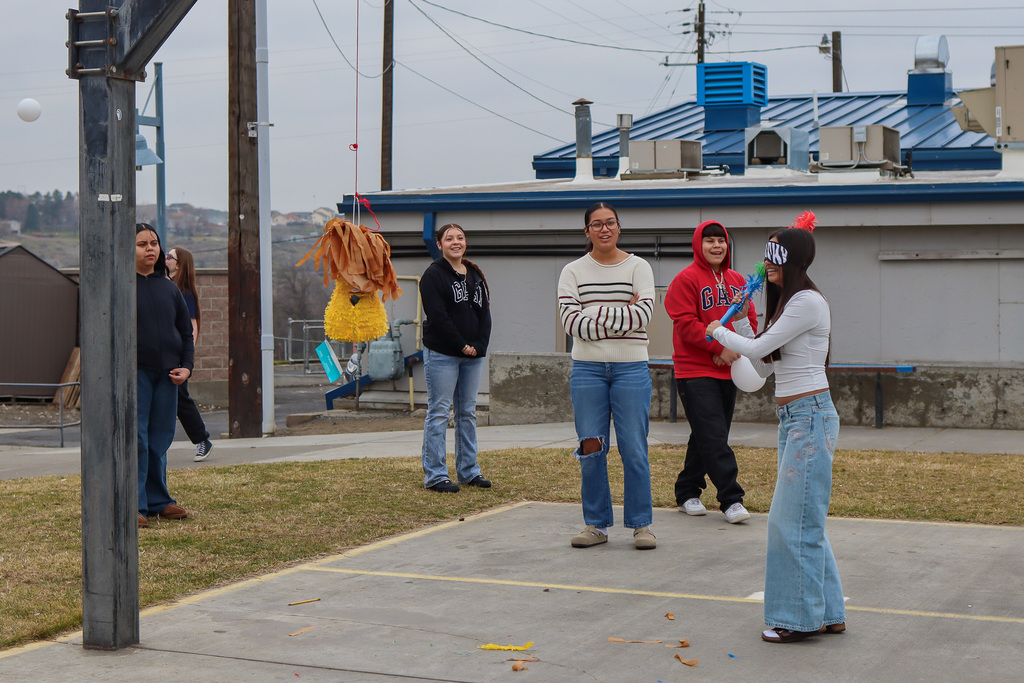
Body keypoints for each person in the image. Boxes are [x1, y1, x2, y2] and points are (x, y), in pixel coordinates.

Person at [706, 217, 845, 644]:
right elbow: (764, 359)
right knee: (804, 521)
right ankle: (829, 612)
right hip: (794, 418)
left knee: (789, 523)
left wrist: (718, 328)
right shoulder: (788, 302)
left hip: (810, 415)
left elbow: (758, 348)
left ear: (794, 259)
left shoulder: (806, 302)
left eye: (776, 255)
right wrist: (744, 321)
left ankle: (798, 618)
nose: (768, 264)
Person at [558, 202, 657, 550]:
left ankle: (642, 525)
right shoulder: (572, 271)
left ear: (619, 227)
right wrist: (618, 312)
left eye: (610, 223)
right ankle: (596, 525)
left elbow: (643, 314)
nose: (604, 229)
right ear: (586, 231)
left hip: (632, 368)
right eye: (596, 224)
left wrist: (593, 312)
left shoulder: (638, 267)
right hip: (587, 370)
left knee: (634, 447)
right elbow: (570, 323)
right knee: (591, 447)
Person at [664, 220, 757, 524]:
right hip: (694, 370)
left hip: (728, 369)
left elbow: (749, 321)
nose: (716, 246)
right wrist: (719, 348)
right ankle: (731, 498)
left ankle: (687, 490)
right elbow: (686, 323)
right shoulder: (686, 279)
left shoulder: (738, 281)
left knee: (706, 436)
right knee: (714, 437)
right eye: (710, 241)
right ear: (698, 245)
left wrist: (736, 349)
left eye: (721, 241)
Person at [418, 223, 492, 493]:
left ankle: (469, 471)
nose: (455, 242)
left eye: (460, 237)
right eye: (449, 239)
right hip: (443, 354)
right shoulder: (433, 276)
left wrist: (479, 345)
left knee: (467, 413)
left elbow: (485, 314)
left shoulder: (474, 274)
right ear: (439, 245)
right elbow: (438, 317)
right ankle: (436, 476)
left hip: (472, 355)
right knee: (438, 413)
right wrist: (461, 345)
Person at [136, 224, 194, 528]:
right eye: (142, 244)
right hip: (135, 375)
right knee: (137, 439)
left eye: (154, 243)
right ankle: (136, 505)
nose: (150, 249)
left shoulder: (170, 288)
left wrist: (186, 367)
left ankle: (160, 502)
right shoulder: (121, 287)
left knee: (159, 439)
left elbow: (186, 333)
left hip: (167, 377)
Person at [167, 247, 214, 462]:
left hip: (175, 358)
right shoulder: (168, 287)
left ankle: (202, 439)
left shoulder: (184, 294)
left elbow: (191, 329)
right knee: (173, 401)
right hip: (167, 354)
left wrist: (185, 360)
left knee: (180, 400)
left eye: (169, 257)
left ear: (180, 265)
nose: (164, 259)